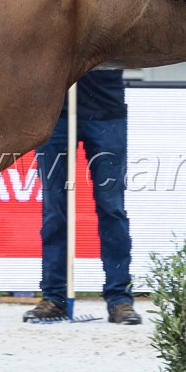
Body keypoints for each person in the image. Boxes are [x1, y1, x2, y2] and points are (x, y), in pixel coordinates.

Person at [23, 69, 141, 325]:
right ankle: (54, 298)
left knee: (112, 207)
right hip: (53, 113)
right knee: (55, 208)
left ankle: (120, 299)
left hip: (106, 110)